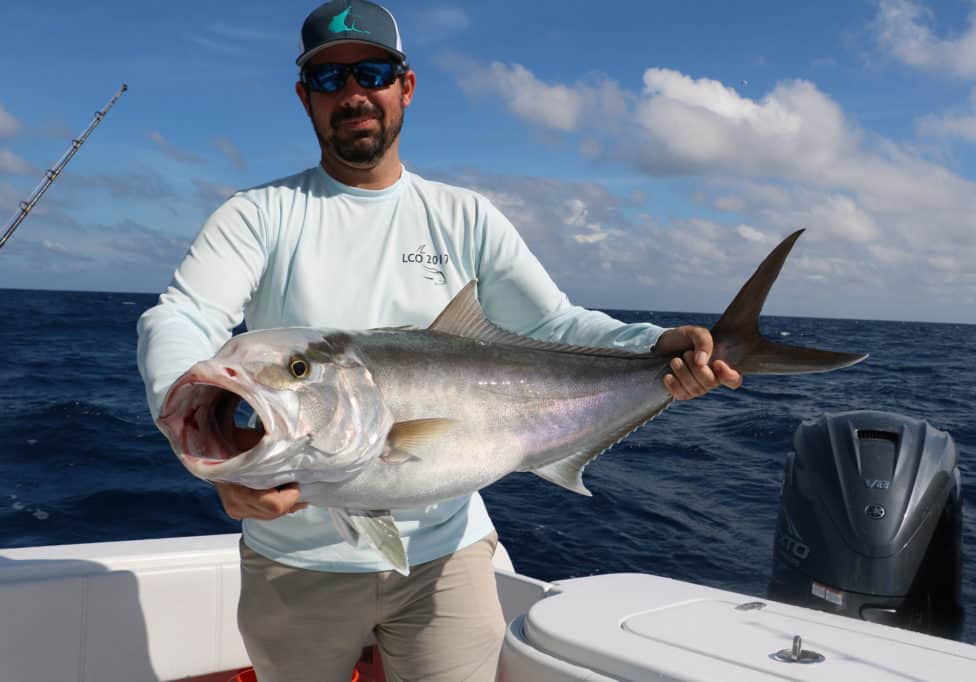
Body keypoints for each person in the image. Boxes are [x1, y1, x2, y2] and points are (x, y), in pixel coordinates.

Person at [136, 1, 742, 680]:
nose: (354, 95)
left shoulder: (465, 217)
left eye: (371, 73)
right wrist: (195, 427)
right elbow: (182, 315)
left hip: (448, 556)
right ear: (306, 98)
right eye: (331, 81)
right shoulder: (258, 216)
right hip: (293, 561)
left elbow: (555, 327)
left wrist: (661, 345)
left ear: (406, 87)